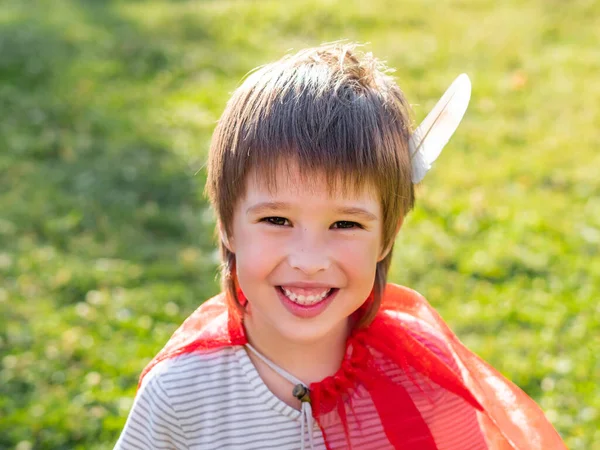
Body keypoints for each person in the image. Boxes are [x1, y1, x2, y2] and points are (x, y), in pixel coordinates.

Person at [114, 42, 566, 450]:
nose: (309, 260)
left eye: (345, 223)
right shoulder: (180, 393)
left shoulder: (426, 384)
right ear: (229, 226)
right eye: (277, 220)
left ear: (387, 236)